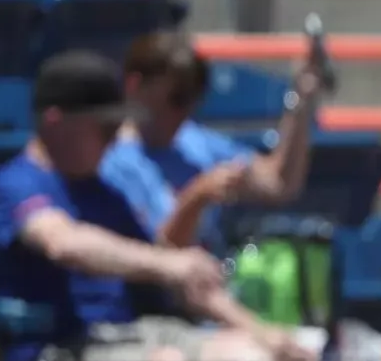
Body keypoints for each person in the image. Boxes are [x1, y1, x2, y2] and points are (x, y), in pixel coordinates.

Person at [0, 52, 316, 361]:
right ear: (55, 123)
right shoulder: (15, 185)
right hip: (54, 353)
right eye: (105, 127)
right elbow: (63, 243)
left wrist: (260, 332)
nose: (114, 139)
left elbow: (178, 278)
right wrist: (168, 262)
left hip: (129, 336)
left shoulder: (104, 194)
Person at [101, 30, 319, 252]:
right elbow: (154, 255)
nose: (186, 110)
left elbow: (279, 182)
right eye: (178, 97)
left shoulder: (195, 142)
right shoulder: (108, 161)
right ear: (135, 85)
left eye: (194, 97)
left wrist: (300, 100)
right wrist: (198, 197)